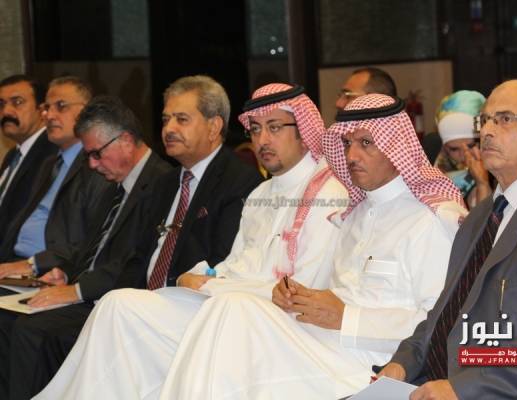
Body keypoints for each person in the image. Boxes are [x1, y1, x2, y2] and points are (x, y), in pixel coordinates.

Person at [35, 82, 348, 399]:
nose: (262, 140)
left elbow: (298, 293)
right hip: (228, 304)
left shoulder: (329, 194)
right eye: (255, 129)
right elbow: (237, 265)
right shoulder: (261, 194)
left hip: (277, 326)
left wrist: (213, 286)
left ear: (303, 130)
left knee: (224, 309)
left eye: (274, 127)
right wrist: (202, 274)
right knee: (118, 305)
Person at [153, 94, 467, 399]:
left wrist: (346, 317)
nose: (351, 156)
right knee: (231, 318)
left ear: (396, 146)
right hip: (325, 343)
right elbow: (338, 296)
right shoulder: (353, 215)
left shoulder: (431, 219)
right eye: (347, 144)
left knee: (236, 314)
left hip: (377, 361)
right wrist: (298, 298)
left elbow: (441, 323)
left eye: (365, 143)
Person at [380, 80, 517, 399]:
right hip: (441, 381)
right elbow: (448, 310)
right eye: (484, 120)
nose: (488, 131)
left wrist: (462, 388)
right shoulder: (482, 215)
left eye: (505, 119)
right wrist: (404, 361)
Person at [0, 95, 172, 400]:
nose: (92, 164)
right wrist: (65, 273)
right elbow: (91, 246)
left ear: (126, 141)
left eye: (95, 154)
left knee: (30, 330)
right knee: (5, 318)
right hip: (88, 289)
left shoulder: (162, 184)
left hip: (114, 301)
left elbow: (134, 262)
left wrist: (77, 291)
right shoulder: (117, 183)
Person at [0, 76, 110, 279]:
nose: (49, 115)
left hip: (49, 272)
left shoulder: (97, 165)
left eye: (61, 106)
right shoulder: (49, 164)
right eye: (47, 107)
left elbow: (86, 240)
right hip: (16, 265)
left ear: (88, 112)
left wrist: (32, 265)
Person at [0, 75, 57, 239]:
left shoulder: (52, 153)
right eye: (1, 104)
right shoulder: (13, 155)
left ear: (42, 110)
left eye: (17, 102)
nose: (6, 111)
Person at [434, 90, 492, 208]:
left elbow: (485, 218)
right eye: (454, 149)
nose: (464, 155)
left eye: (471, 145)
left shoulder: (499, 169)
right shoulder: (435, 169)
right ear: (444, 147)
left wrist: (482, 184)